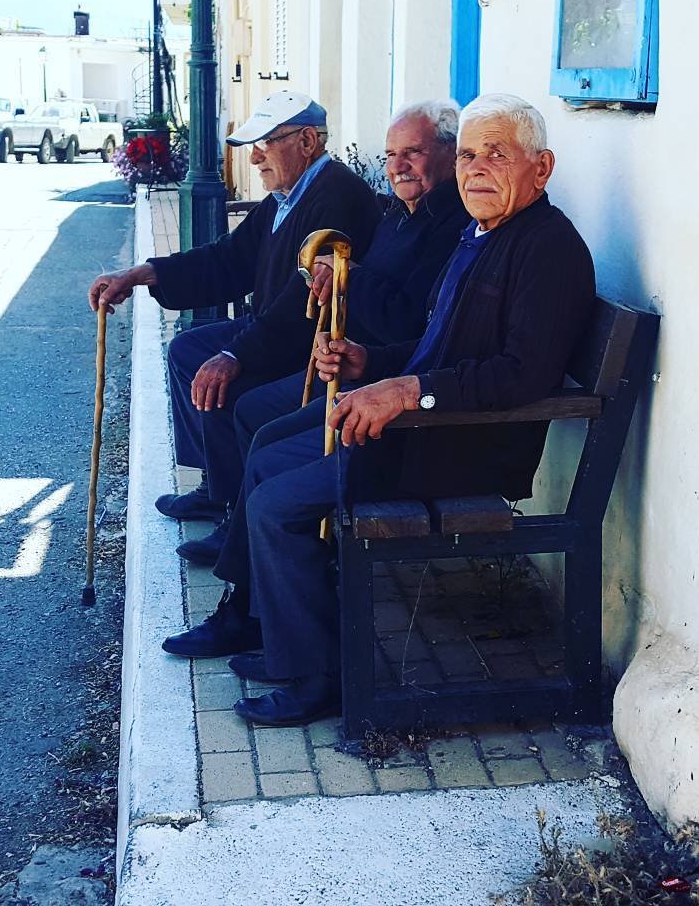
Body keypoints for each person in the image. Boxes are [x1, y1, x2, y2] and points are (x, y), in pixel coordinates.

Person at [164, 94, 596, 728]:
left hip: (456, 449)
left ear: (542, 167)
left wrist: (407, 391)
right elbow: (434, 346)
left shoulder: (547, 248)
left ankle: (319, 677)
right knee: (269, 445)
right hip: (422, 426)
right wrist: (371, 362)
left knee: (277, 503)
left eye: (496, 156)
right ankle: (260, 619)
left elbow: (521, 374)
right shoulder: (482, 235)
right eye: (471, 155)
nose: (476, 169)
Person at [172, 99, 471, 565]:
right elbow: (236, 260)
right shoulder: (402, 213)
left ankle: (249, 570)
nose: (397, 167)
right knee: (213, 373)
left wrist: (345, 279)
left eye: (412, 152)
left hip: (389, 392)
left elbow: (407, 321)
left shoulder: (452, 226)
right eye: (390, 156)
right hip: (356, 363)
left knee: (252, 417)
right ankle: (235, 526)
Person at [89, 90, 381, 528]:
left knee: (221, 373)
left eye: (266, 143)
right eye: (253, 146)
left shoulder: (333, 194)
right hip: (278, 332)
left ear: (306, 141)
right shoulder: (288, 195)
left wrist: (234, 355)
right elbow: (230, 259)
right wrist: (143, 273)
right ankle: (216, 487)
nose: (255, 158)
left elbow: (303, 302)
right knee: (187, 351)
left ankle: (234, 514)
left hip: (313, 347)